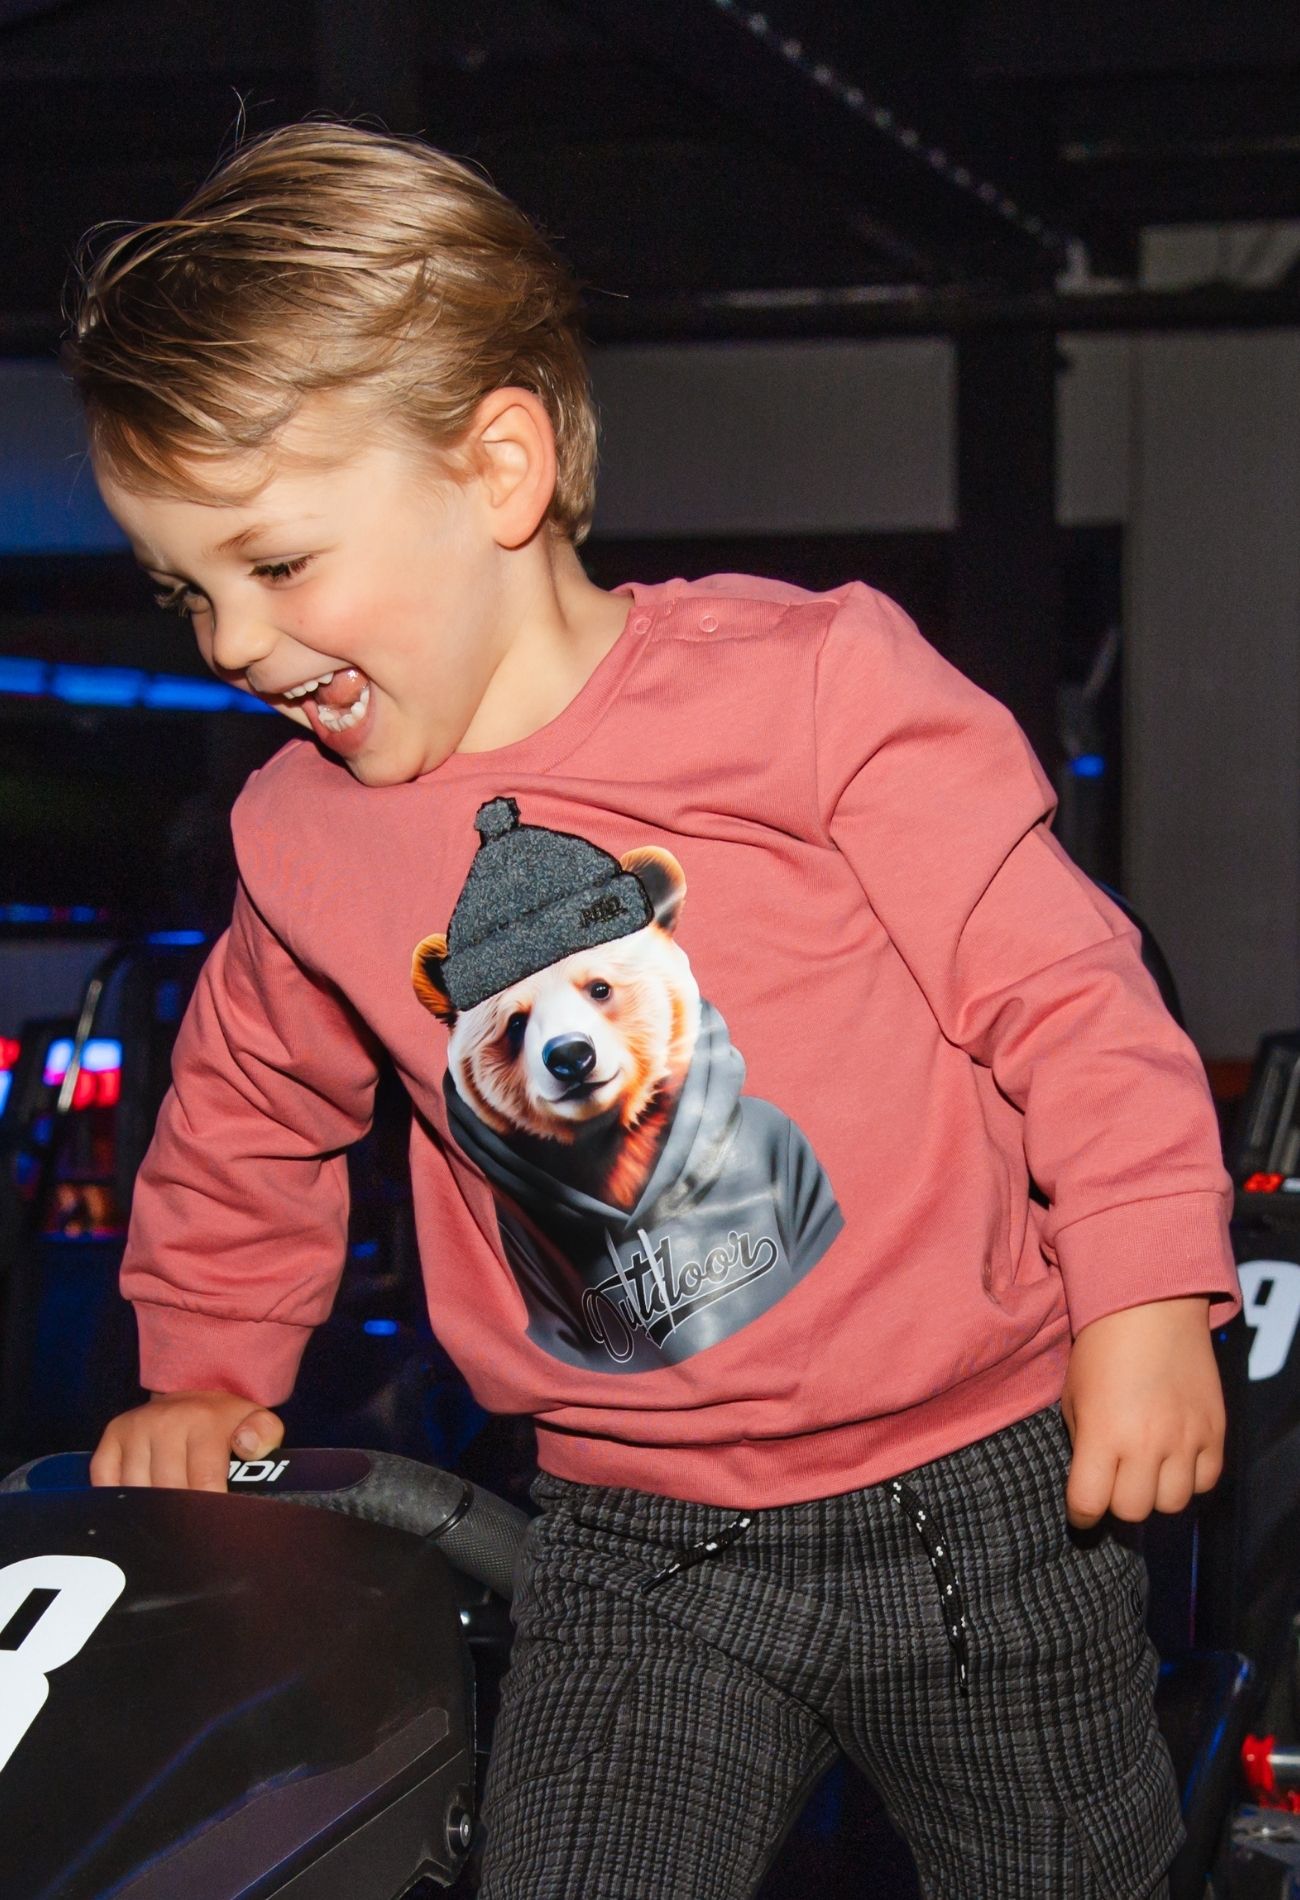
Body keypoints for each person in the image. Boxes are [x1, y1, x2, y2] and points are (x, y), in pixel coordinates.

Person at [72, 121, 1238, 1899]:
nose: (229, 642)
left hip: (989, 1496)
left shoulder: (814, 689)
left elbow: (1063, 993)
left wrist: (1143, 1287)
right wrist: (202, 1376)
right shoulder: (302, 839)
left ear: (500, 469)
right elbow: (247, 1116)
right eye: (187, 593)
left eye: (277, 566)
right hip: (635, 1544)